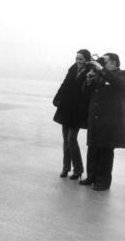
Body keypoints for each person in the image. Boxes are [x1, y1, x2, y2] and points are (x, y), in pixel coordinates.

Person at [79, 53, 125, 191]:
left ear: (114, 62)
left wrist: (101, 69)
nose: (101, 62)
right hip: (96, 121)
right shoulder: (102, 75)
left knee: (105, 152)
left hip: (110, 122)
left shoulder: (124, 74)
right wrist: (89, 81)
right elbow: (86, 94)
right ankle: (91, 177)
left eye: (105, 60)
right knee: (93, 149)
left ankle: (103, 182)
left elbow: (119, 83)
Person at [53, 49, 91, 180]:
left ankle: (78, 169)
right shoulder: (72, 69)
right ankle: (65, 167)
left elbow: (88, 91)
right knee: (66, 139)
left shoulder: (89, 72)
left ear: (87, 59)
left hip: (78, 111)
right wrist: (57, 97)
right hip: (66, 108)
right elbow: (64, 85)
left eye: (80, 59)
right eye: (76, 59)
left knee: (71, 139)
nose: (78, 61)